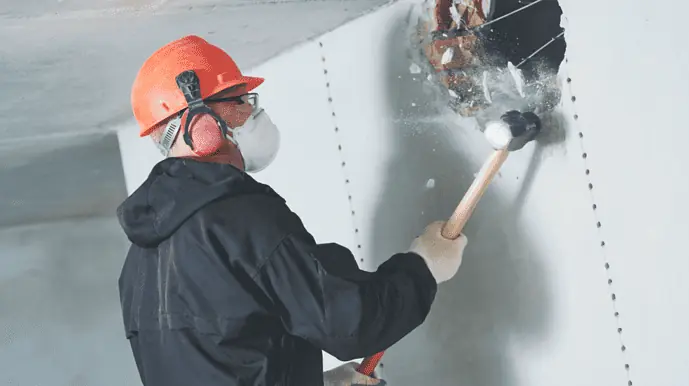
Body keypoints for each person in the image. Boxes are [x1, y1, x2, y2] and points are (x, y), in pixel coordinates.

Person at [116, 35, 468, 386]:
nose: (252, 113)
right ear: (202, 126)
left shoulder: (139, 264)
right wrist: (423, 268)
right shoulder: (238, 218)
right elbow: (351, 324)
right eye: (239, 101)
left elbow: (220, 359)